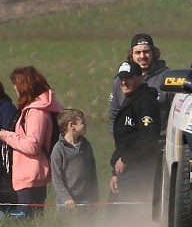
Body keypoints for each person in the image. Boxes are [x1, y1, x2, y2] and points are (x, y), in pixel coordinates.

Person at [0, 65, 63, 216]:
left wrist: (7, 136)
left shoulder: (36, 112)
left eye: (16, 86)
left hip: (30, 176)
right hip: (32, 174)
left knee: (24, 221)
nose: (15, 90)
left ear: (24, 87)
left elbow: (32, 145)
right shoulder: (39, 108)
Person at [110, 60, 162, 211]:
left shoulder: (145, 102)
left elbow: (148, 138)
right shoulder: (130, 100)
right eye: (121, 78)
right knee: (117, 210)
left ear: (140, 78)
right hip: (127, 169)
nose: (124, 82)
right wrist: (115, 172)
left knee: (130, 210)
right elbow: (125, 140)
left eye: (129, 78)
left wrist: (126, 159)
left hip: (140, 169)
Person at [107, 33, 169, 128]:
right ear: (131, 55)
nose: (142, 56)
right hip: (128, 140)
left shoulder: (167, 79)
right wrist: (117, 139)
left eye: (146, 51)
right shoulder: (119, 81)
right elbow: (113, 115)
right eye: (138, 53)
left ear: (154, 53)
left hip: (160, 140)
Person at [50, 108, 98, 210]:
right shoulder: (58, 149)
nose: (85, 125)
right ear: (71, 125)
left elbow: (92, 172)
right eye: (82, 123)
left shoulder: (86, 145)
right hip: (67, 204)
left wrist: (95, 196)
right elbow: (56, 178)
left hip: (87, 201)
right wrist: (66, 198)